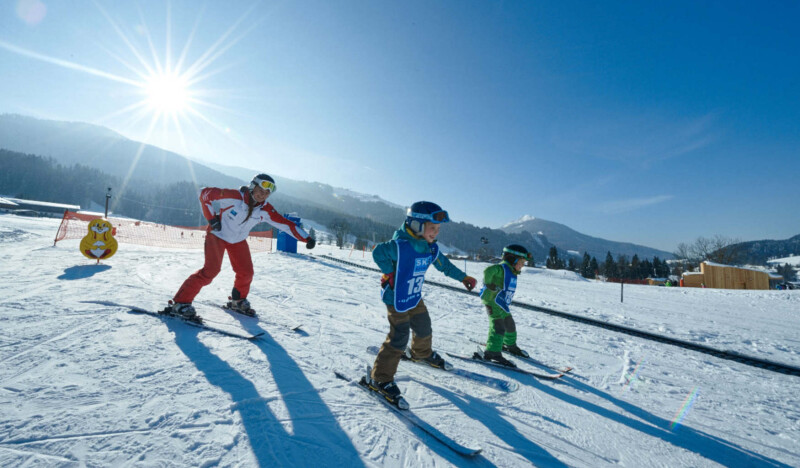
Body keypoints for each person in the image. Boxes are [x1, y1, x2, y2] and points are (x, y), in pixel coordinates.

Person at [363, 201, 477, 402]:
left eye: (438, 229)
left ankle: (420, 353)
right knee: (399, 336)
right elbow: (378, 252)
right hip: (396, 297)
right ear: (416, 225)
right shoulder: (400, 246)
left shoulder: (430, 248)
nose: (436, 233)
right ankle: (379, 378)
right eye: (432, 228)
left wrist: (463, 278)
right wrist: (389, 272)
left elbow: (445, 266)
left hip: (414, 295)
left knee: (424, 326)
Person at [167, 174, 315, 319]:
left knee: (246, 272)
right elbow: (204, 194)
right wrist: (212, 219)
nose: (263, 195)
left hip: (237, 241)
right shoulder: (234, 196)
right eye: (261, 190)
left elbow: (286, 224)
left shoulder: (265, 210)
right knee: (210, 271)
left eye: (267, 193)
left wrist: (306, 238)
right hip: (217, 235)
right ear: (253, 186)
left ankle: (237, 301)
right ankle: (181, 303)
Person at [480, 244, 532, 367]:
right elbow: (488, 270)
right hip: (492, 301)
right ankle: (492, 352)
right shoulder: (502, 268)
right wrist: (489, 284)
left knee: (509, 324)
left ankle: (510, 345)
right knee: (498, 326)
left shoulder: (512, 271)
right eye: (521, 262)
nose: (523, 266)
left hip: (501, 303)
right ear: (512, 259)